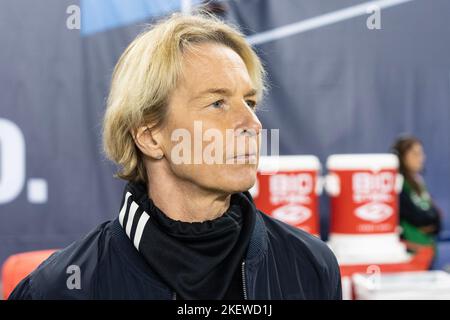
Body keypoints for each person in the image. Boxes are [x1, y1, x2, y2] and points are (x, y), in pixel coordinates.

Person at [9, 13, 341, 300]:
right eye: (217, 103)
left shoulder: (310, 265)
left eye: (249, 103)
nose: (252, 125)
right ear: (150, 136)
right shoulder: (60, 287)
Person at [392, 136, 441, 256]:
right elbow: (415, 216)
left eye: (421, 153)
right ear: (402, 157)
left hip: (427, 246)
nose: (421, 158)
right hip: (410, 250)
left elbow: (436, 217)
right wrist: (428, 220)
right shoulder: (398, 184)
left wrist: (432, 221)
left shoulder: (418, 182)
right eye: (415, 154)